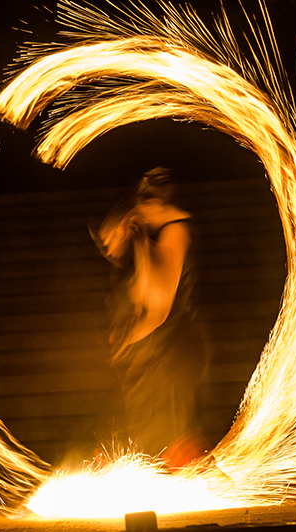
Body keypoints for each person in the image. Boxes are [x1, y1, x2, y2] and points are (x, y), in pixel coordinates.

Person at [91, 167, 210, 467]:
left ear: (155, 204)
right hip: (153, 352)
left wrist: (132, 337)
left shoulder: (174, 232)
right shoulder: (152, 233)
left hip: (166, 353)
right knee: (145, 436)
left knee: (170, 441)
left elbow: (158, 303)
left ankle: (205, 485)